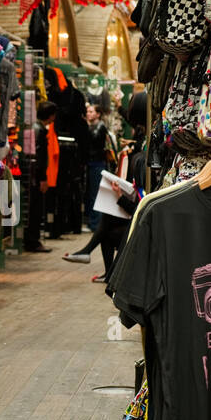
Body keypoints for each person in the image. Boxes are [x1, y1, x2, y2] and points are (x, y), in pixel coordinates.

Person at [62, 92, 148, 281]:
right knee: (107, 220)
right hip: (138, 212)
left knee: (107, 223)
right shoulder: (146, 138)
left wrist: (120, 197)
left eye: (92, 111)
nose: (89, 113)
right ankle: (105, 271)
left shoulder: (146, 145)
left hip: (142, 221)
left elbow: (141, 209)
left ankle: (92, 256)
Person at [23, 100, 58, 253]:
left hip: (31, 174)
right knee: (35, 209)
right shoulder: (41, 130)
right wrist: (42, 177)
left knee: (33, 208)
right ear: (51, 116)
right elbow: (41, 156)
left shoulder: (34, 128)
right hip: (36, 176)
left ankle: (31, 239)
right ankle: (33, 241)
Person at [84, 102, 109, 231]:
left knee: (95, 193)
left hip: (97, 163)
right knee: (91, 193)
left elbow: (93, 142)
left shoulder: (99, 127)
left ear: (98, 114)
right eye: (87, 111)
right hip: (93, 163)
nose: (88, 114)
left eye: (91, 111)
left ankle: (95, 224)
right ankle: (92, 222)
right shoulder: (94, 126)